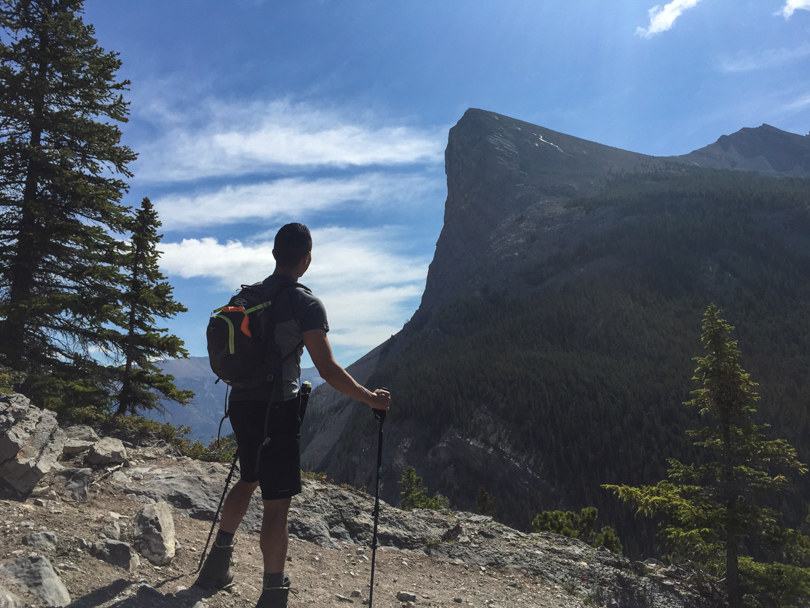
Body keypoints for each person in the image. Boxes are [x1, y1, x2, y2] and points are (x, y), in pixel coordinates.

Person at [194, 223, 391, 607]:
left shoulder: (248, 296)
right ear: (307, 259)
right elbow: (328, 369)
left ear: (273, 255)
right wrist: (370, 399)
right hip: (277, 410)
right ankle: (272, 593)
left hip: (241, 402)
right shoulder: (306, 304)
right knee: (277, 504)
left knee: (248, 477)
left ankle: (217, 564)